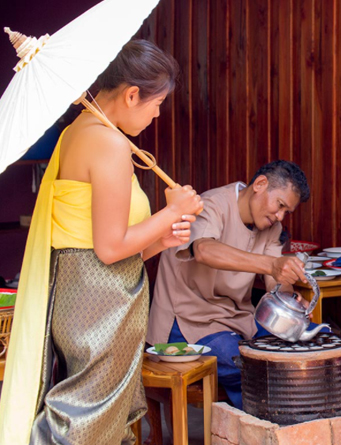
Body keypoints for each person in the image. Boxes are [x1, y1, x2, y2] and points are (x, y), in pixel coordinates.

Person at [0, 40, 203, 445]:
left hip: (88, 292)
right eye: (157, 103)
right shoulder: (108, 143)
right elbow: (109, 249)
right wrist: (173, 211)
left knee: (96, 414)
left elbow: (102, 245)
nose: (158, 113)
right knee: (86, 418)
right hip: (101, 304)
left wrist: (160, 238)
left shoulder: (80, 131)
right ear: (131, 95)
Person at [147, 160, 311, 409]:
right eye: (280, 205)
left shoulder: (271, 227)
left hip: (237, 319)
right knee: (247, 362)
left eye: (286, 212)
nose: (280, 216)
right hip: (186, 321)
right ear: (260, 184)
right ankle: (263, 427)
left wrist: (291, 302)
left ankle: (293, 422)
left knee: (309, 346)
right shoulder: (210, 204)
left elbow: (274, 284)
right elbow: (203, 250)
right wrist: (271, 265)